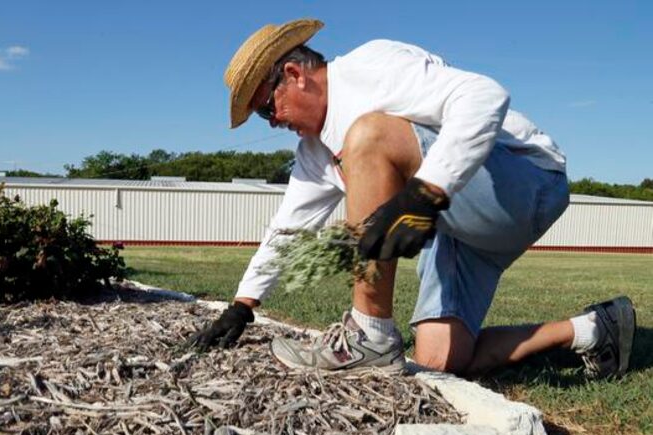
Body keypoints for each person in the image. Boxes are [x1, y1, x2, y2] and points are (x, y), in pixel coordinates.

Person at [190, 18, 636, 379]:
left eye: (267, 108)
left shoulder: (368, 68)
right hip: (459, 230)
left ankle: (369, 335)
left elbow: (485, 95)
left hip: (525, 183)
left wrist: (427, 192)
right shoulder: (312, 153)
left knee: (368, 134)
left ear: (293, 75)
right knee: (439, 361)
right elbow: (287, 228)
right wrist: (242, 306)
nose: (271, 123)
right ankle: (594, 329)